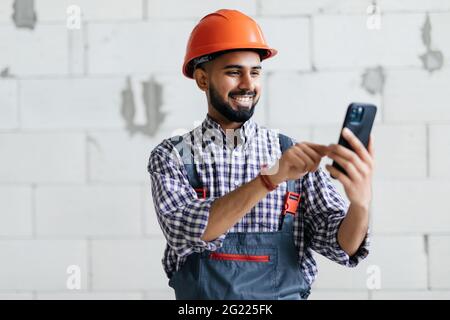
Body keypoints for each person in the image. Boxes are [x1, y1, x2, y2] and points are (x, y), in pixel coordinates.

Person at [147, 9, 374, 300]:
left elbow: (342, 246)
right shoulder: (173, 157)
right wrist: (270, 179)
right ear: (202, 80)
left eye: (255, 72)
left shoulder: (290, 154)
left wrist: (361, 204)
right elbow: (185, 232)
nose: (247, 83)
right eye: (233, 71)